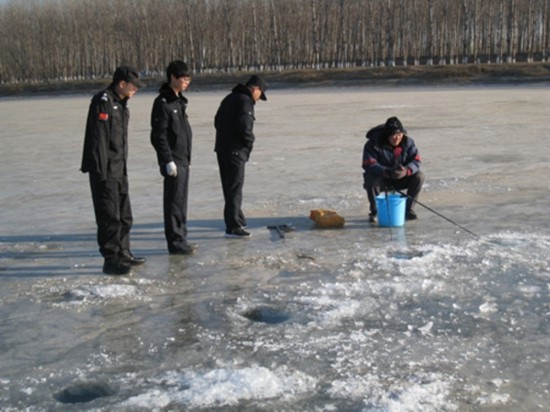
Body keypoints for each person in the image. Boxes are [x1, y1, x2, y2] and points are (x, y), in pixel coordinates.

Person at [81, 66, 147, 275]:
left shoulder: (121, 104)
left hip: (120, 169)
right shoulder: (103, 101)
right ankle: (111, 259)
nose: (136, 90)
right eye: (133, 86)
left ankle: (123, 251)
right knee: (110, 216)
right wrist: (101, 172)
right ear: (121, 84)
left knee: (125, 216)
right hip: (105, 171)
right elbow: (98, 139)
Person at [214, 75, 267, 238]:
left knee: (229, 187)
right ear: (255, 89)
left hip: (222, 149)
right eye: (260, 94)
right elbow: (245, 128)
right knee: (235, 188)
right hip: (235, 151)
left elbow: (217, 121)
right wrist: (249, 143)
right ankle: (233, 225)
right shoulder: (245, 101)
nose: (258, 99)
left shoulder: (229, 98)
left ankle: (237, 217)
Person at [150, 60, 195, 255]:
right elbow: (158, 135)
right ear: (172, 78)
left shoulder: (178, 101)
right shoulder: (163, 103)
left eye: (188, 79)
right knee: (174, 202)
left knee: (181, 202)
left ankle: (181, 237)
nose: (187, 82)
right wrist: (167, 160)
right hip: (173, 161)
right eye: (183, 78)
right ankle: (175, 242)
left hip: (183, 159)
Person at [362, 116, 424, 223]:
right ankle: (375, 211)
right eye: (393, 135)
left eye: (399, 134)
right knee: (370, 178)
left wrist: (406, 171)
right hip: (382, 179)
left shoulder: (408, 143)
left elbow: (416, 160)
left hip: (401, 178)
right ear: (387, 135)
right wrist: (386, 171)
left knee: (419, 176)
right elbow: (368, 164)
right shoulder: (373, 144)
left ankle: (409, 210)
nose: (397, 138)